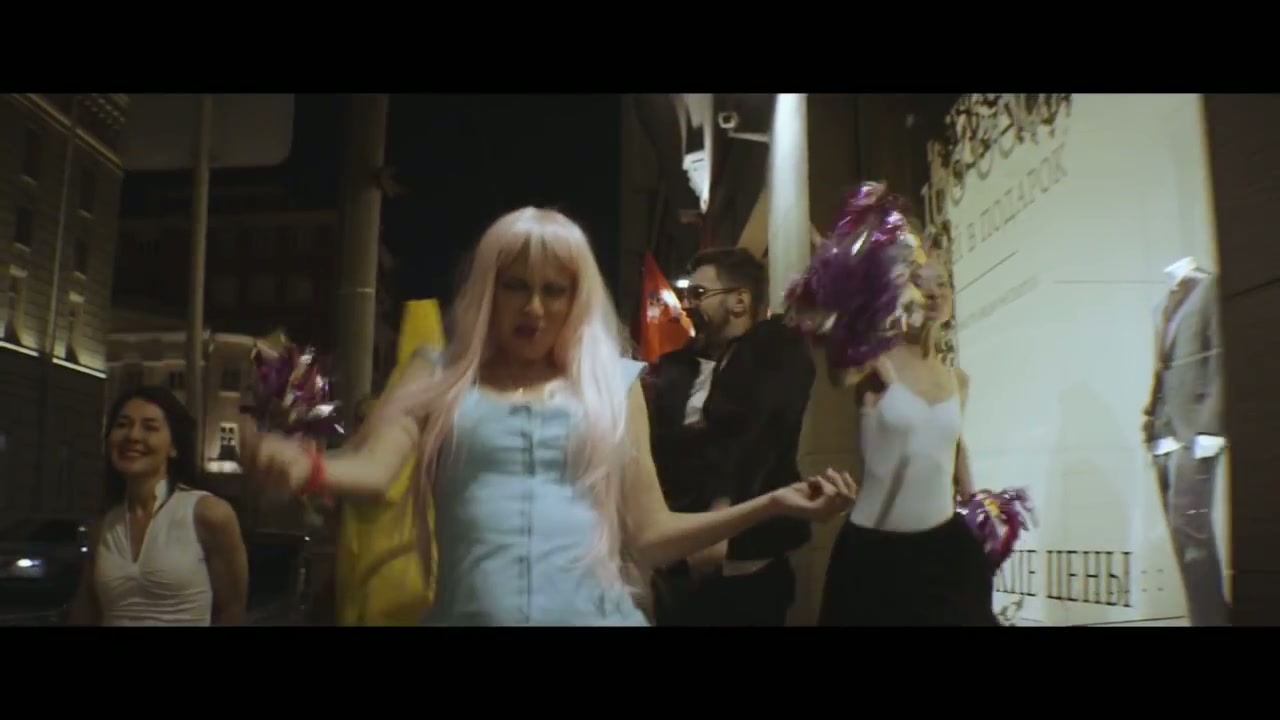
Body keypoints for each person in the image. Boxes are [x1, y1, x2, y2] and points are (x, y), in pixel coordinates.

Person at [239, 206, 855, 626]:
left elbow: (649, 532)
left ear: (574, 298)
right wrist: (305, 467)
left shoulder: (612, 383)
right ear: (490, 289)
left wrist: (771, 504)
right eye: (515, 286)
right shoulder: (438, 372)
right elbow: (376, 470)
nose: (533, 308)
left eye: (553, 290)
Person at [818, 251, 998, 626]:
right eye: (919, 282)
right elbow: (837, 372)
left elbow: (952, 443)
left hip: (945, 550)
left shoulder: (957, 379)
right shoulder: (876, 362)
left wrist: (975, 500)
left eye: (942, 283)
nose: (933, 292)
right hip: (877, 554)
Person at [645, 247, 816, 626]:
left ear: (739, 300)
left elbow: (760, 435)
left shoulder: (777, 353)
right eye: (687, 294)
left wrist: (720, 516)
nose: (687, 304)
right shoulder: (675, 368)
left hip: (749, 563)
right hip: (678, 565)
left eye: (699, 293)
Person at [68, 386, 249, 626]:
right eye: (122, 425)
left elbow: (231, 611)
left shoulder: (209, 514)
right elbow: (86, 614)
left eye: (150, 427)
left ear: (174, 447)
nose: (133, 436)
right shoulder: (103, 528)